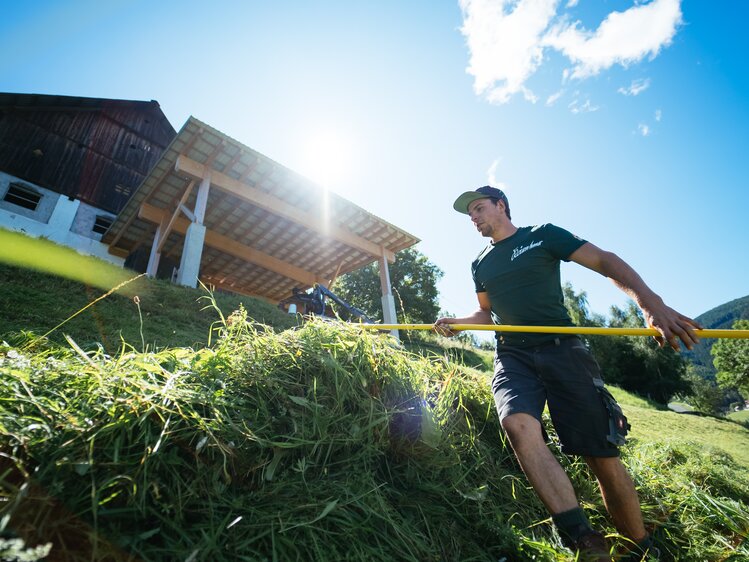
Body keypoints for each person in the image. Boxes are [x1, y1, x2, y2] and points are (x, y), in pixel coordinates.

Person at [434, 186, 701, 561]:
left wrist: (649, 303)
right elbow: (487, 314)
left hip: (564, 352)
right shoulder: (480, 263)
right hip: (513, 356)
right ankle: (583, 538)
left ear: (501, 206)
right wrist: (457, 322)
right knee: (517, 425)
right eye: (470, 214)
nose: (474, 217)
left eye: (479, 208)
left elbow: (605, 261)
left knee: (600, 456)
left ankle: (641, 546)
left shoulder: (543, 235)